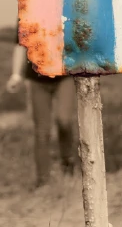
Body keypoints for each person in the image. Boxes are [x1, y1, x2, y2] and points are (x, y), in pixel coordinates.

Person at [6, 30, 79, 188]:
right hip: (37, 78)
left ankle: (68, 166)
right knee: (42, 131)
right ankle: (43, 180)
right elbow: (20, 44)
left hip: (64, 75)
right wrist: (16, 75)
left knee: (64, 121)